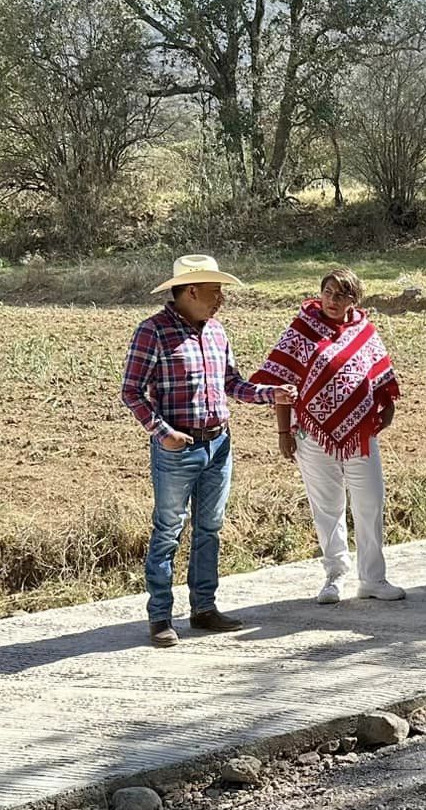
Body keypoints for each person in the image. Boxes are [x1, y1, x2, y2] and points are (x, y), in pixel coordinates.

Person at [121, 254, 295, 647]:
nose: (221, 299)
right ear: (192, 290)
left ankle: (203, 609)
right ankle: (161, 617)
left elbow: (233, 383)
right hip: (177, 447)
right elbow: (131, 391)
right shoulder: (153, 332)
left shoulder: (216, 332)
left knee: (209, 529)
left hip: (218, 443)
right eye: (216, 291)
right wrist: (161, 432)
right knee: (168, 530)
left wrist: (272, 394)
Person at [252, 268, 404, 606]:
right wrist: (283, 432)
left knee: (370, 502)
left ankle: (373, 578)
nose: (332, 300)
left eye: (341, 294)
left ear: (354, 300)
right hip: (311, 433)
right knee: (327, 506)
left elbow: (380, 377)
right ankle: (335, 575)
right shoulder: (301, 330)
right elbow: (283, 384)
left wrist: (387, 409)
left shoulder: (363, 331)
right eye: (328, 292)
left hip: (361, 431)